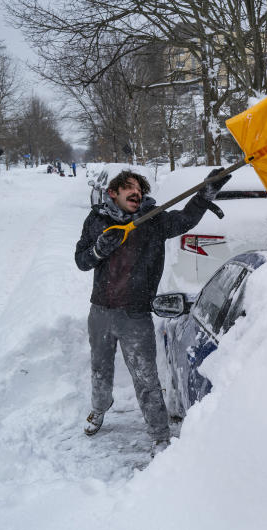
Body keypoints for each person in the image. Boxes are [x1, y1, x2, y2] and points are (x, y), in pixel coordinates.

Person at [74, 168, 230, 448]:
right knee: (100, 368)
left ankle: (159, 436)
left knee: (146, 377)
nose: (136, 193)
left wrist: (206, 192)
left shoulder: (152, 220)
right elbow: (82, 260)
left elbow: (184, 219)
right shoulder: (97, 219)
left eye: (140, 189)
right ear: (113, 193)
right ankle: (99, 408)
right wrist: (99, 249)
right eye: (129, 188)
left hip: (135, 314)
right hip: (100, 311)